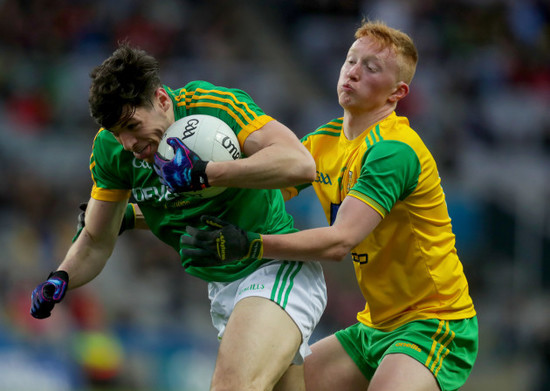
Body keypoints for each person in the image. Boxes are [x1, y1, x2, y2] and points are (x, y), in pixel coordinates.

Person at [181, 20, 478, 391]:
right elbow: (256, 196)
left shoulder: (393, 151)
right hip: (373, 327)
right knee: (280, 384)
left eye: (370, 68)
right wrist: (139, 213)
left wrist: (251, 243)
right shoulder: (323, 143)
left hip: (434, 324)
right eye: (351, 61)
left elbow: (340, 242)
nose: (353, 72)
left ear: (396, 92)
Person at [30, 43, 327, 391]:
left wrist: (209, 172)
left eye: (132, 125)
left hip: (275, 267)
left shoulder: (213, 106)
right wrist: (61, 277)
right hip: (223, 290)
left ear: (161, 100)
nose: (128, 143)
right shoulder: (111, 152)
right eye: (117, 133)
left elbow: (301, 165)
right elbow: (96, 240)